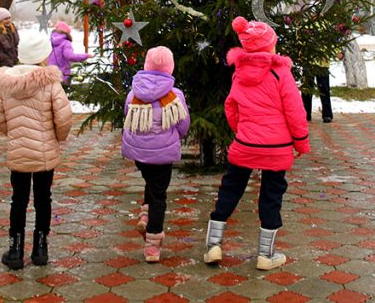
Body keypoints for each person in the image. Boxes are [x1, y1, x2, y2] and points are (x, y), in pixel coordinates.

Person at [203, 16, 310, 271]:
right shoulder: (281, 72)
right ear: (269, 46)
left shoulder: (239, 73)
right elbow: (295, 110)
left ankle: (213, 245)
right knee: (271, 195)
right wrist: (301, 142)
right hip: (277, 147)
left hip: (245, 144)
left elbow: (231, 107)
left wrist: (242, 130)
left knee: (230, 189)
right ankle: (266, 254)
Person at [0, 31, 73, 270]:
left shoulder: (6, 84)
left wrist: (15, 134)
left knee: (18, 200)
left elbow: (0, 117)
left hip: (18, 153)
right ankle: (40, 249)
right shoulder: (50, 84)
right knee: (43, 199)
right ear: (43, 57)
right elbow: (64, 117)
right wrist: (56, 138)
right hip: (44, 153)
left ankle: (15, 250)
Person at [121, 46, 190, 263]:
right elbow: (183, 124)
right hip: (163, 153)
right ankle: (152, 246)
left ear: (146, 66)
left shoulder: (133, 93)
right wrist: (176, 136)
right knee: (159, 194)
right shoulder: (175, 95)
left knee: (151, 183)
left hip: (139, 153)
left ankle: (145, 213)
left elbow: (127, 117)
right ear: (170, 68)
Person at [47, 21, 92, 86]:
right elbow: (69, 56)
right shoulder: (66, 43)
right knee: (63, 94)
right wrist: (85, 56)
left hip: (50, 74)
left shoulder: (50, 41)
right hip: (63, 75)